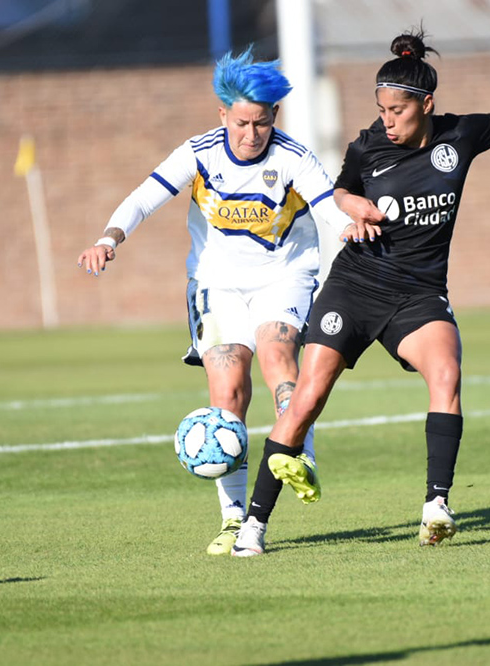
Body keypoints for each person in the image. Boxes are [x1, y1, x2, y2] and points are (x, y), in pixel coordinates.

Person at [231, 30, 490, 556]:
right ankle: (253, 526)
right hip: (355, 286)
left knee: (447, 374)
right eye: (380, 109)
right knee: (307, 399)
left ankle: (436, 504)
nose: (385, 120)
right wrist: (352, 207)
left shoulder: (461, 136)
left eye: (396, 110)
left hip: (419, 294)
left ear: (425, 104)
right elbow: (340, 188)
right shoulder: (367, 147)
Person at [77, 49, 377, 556]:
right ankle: (234, 519)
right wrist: (110, 237)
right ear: (223, 115)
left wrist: (347, 226)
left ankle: (300, 452)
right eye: (241, 122)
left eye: (261, 122)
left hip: (284, 274)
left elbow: (326, 202)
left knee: (277, 356)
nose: (251, 133)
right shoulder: (198, 154)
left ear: (273, 118)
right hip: (215, 281)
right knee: (228, 390)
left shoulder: (291, 157)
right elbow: (144, 196)